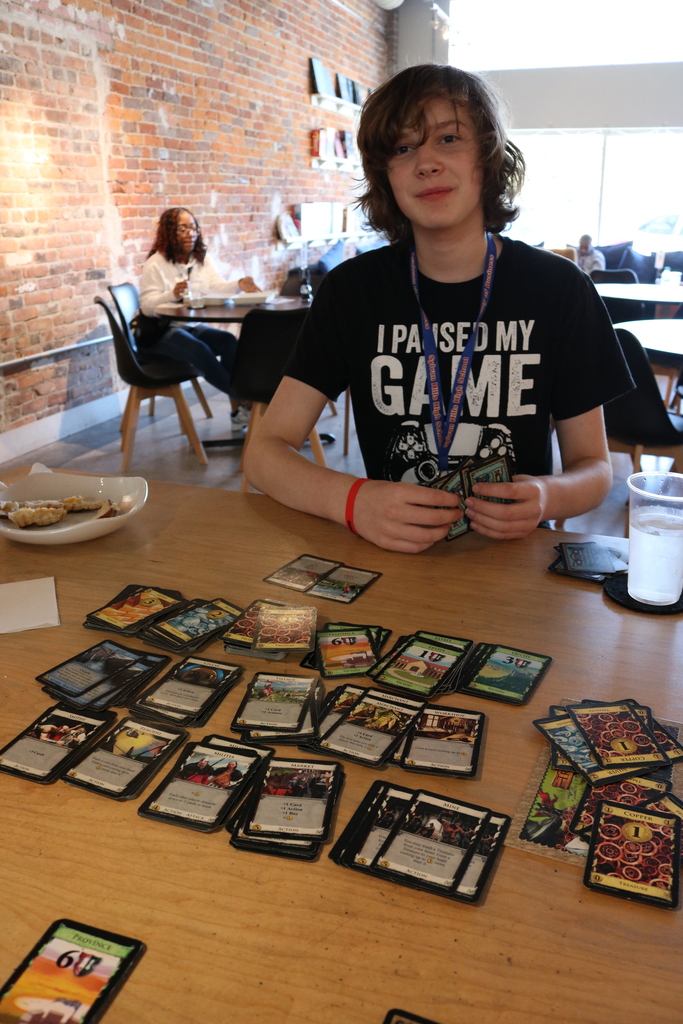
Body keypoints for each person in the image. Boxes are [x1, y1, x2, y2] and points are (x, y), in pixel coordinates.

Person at [244, 65, 632, 553]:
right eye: (403, 149)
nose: (425, 163)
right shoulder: (353, 291)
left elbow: (595, 469)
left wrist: (545, 496)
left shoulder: (559, 290)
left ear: (488, 158)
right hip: (392, 556)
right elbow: (263, 452)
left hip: (516, 561)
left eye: (448, 139)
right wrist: (352, 501)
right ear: (386, 175)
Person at [137, 207, 260, 428]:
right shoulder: (155, 263)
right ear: (168, 232)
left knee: (229, 342)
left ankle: (237, 413)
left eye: (193, 227)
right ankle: (247, 401)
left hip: (190, 325)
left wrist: (239, 285)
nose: (190, 233)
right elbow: (146, 306)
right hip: (160, 331)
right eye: (182, 228)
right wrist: (172, 294)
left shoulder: (201, 259)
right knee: (198, 349)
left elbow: (217, 287)